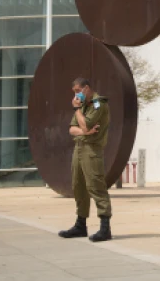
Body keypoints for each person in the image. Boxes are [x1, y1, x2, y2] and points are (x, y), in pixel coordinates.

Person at [58, 77, 113, 242]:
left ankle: (105, 228)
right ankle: (80, 225)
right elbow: (72, 129)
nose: (76, 95)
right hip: (79, 148)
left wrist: (77, 111)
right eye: (74, 92)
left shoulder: (98, 104)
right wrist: (84, 131)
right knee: (78, 186)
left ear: (86, 88)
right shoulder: (83, 107)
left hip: (92, 150)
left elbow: (86, 124)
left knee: (96, 186)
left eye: (78, 91)